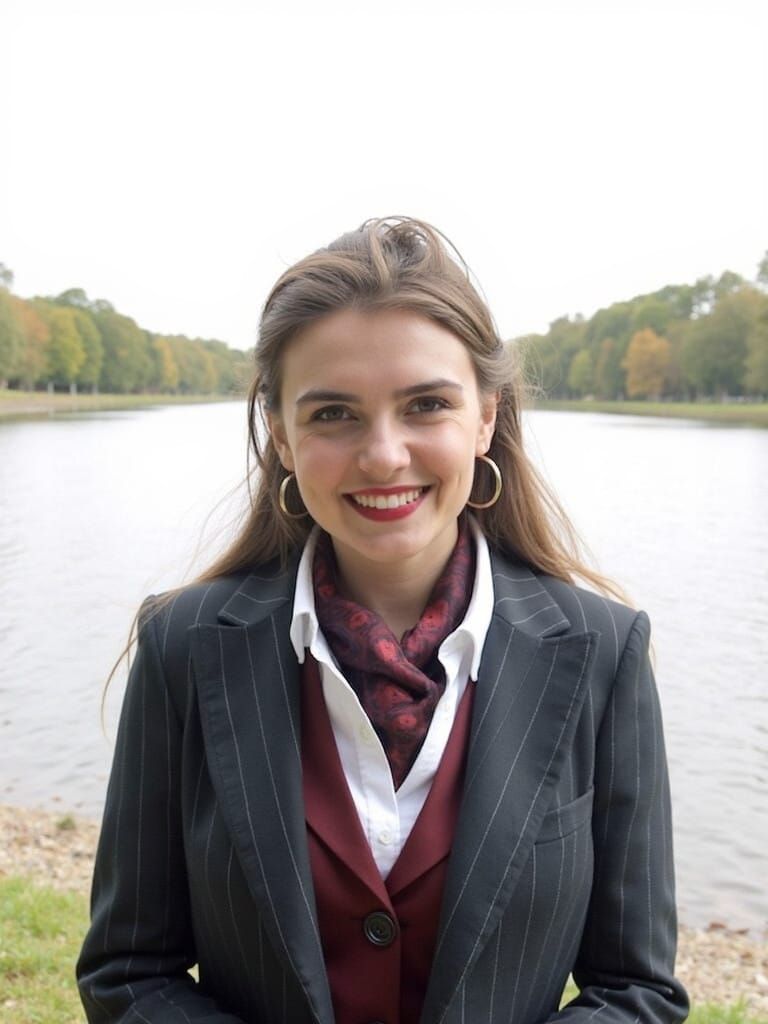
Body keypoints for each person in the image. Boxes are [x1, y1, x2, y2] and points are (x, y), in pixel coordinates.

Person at [77, 217, 689, 1024]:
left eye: (426, 404)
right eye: (334, 414)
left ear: (485, 419)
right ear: (282, 437)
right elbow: (129, 972)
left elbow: (636, 989)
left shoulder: (604, 652)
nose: (383, 455)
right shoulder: (184, 648)